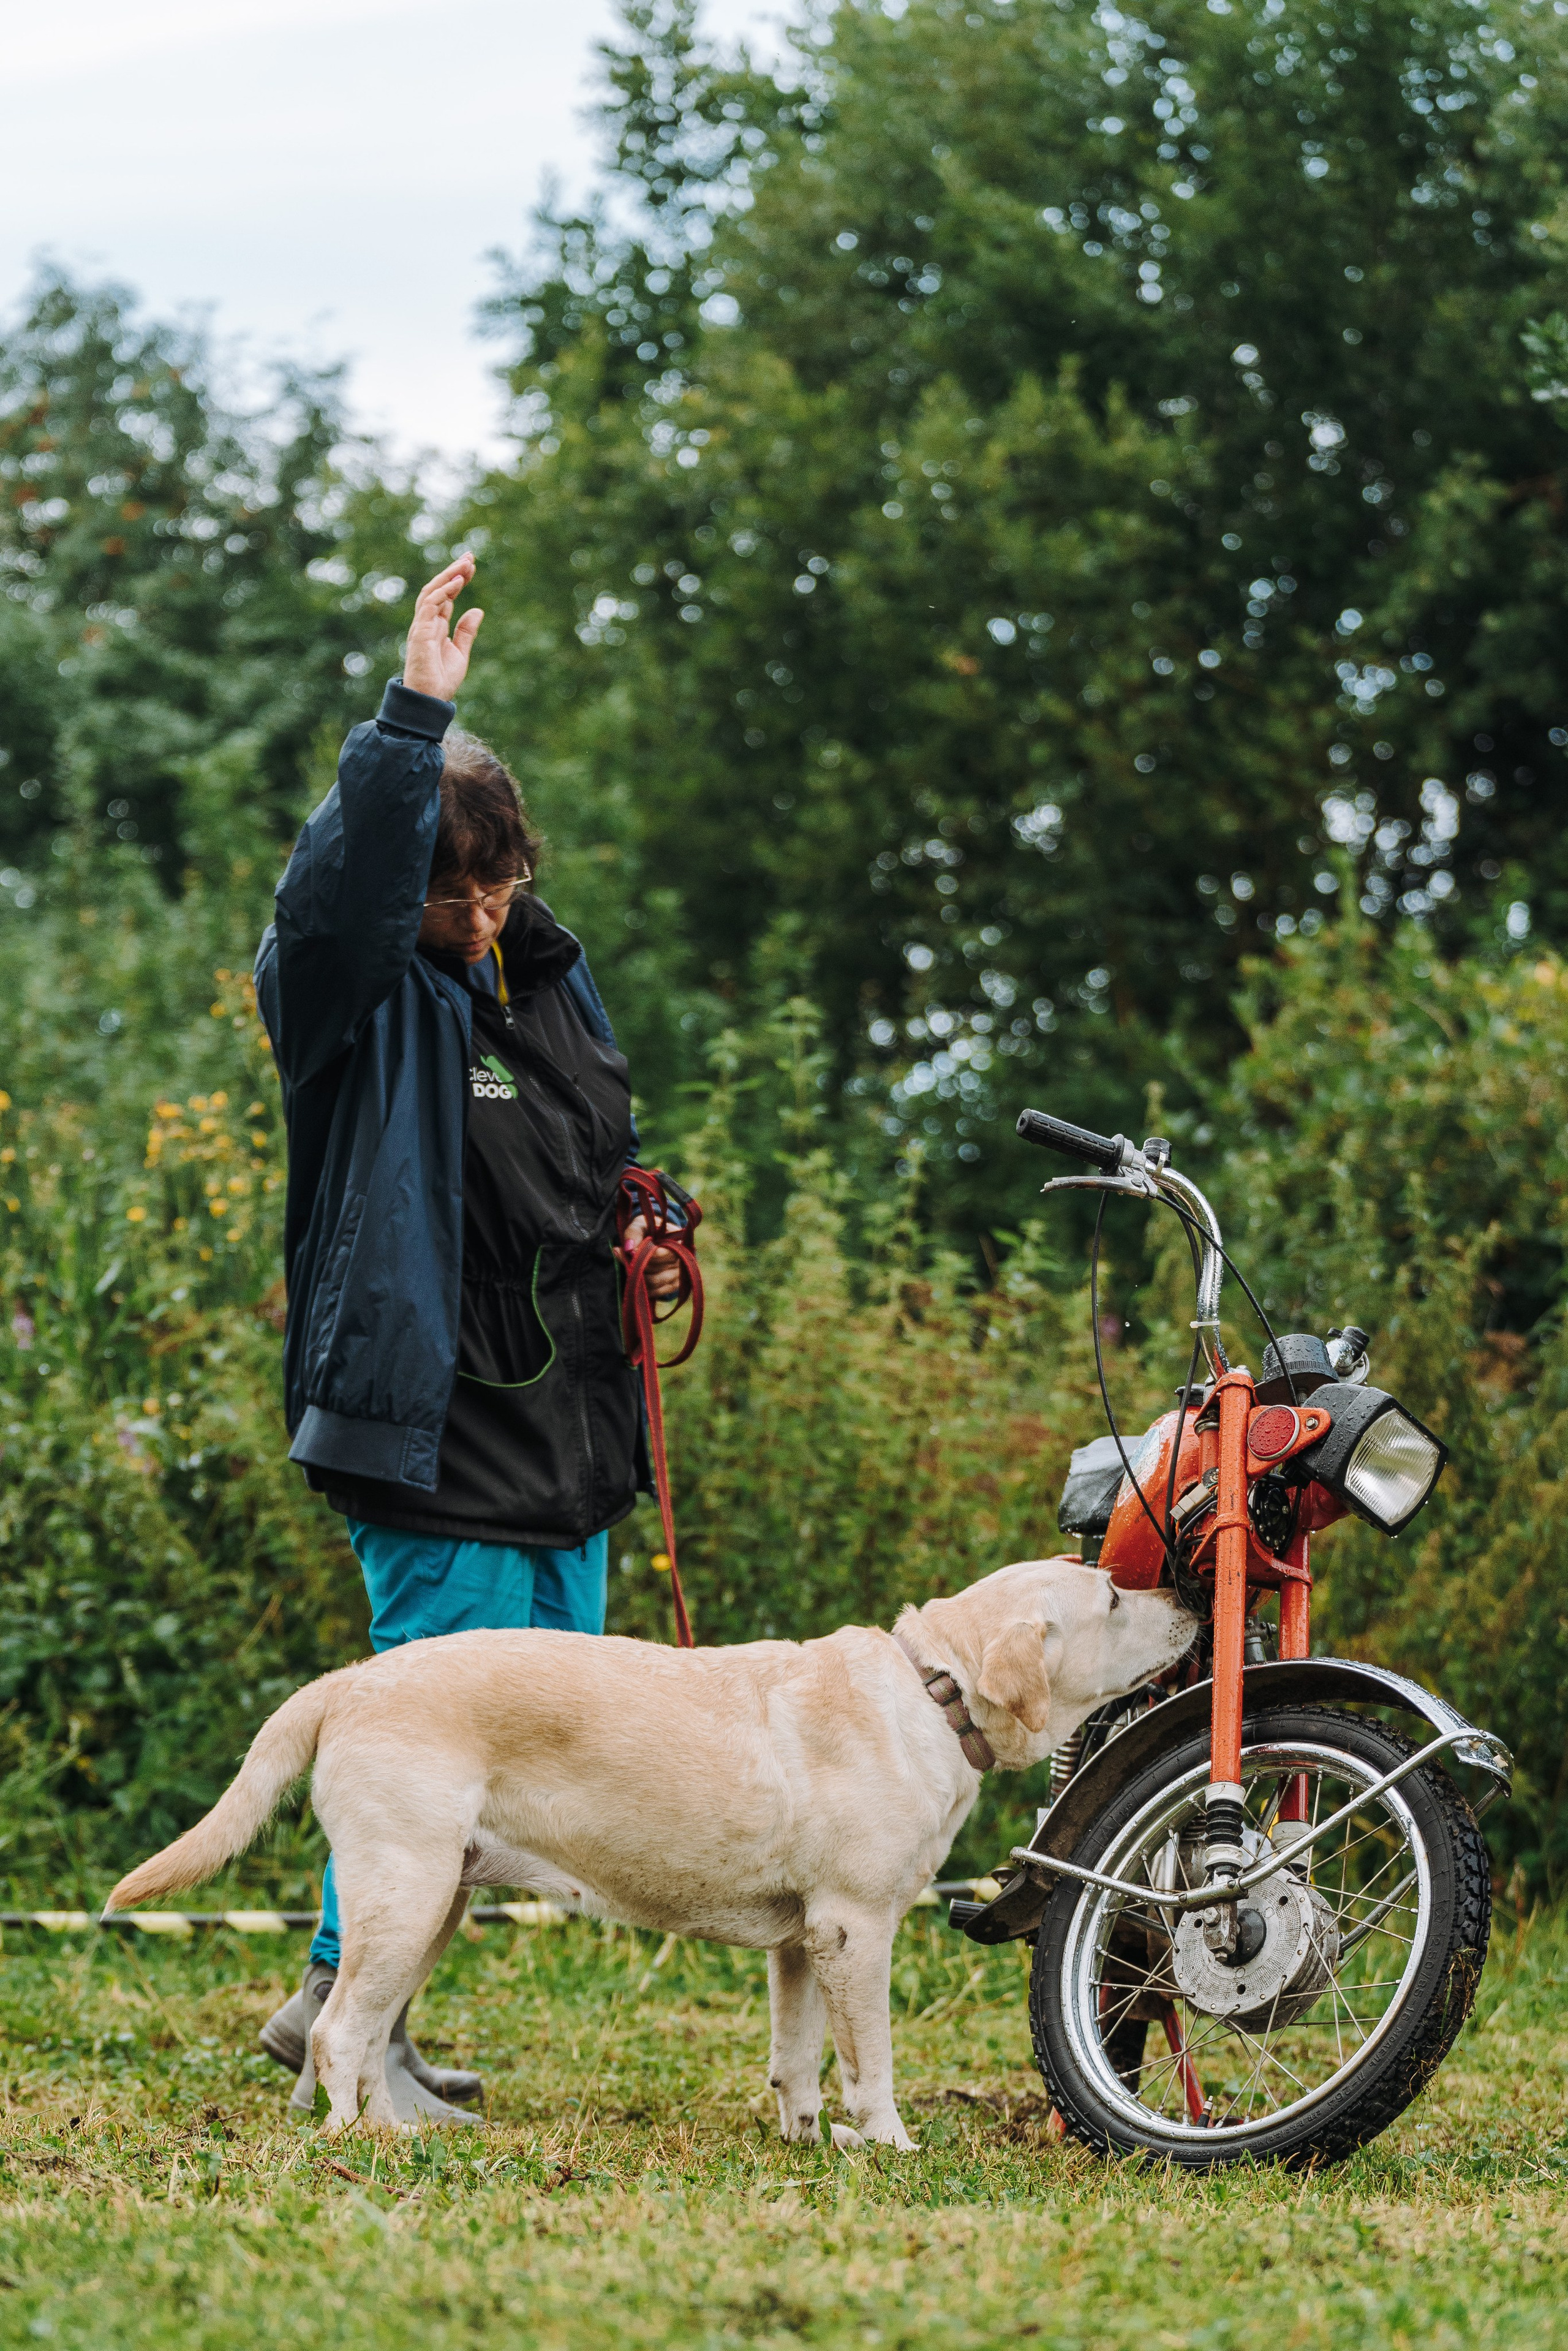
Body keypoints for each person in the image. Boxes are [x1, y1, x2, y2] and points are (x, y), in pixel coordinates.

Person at [251, 554, 678, 2122]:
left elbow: (578, 1153)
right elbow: (341, 896)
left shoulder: (542, 978)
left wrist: (639, 1211)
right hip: (434, 1434)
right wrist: (410, 721)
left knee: (521, 1758)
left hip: (567, 1433)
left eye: (497, 885)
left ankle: (341, 2004)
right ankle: (355, 2037)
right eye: (449, 893)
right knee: (427, 1751)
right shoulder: (352, 1000)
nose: (479, 915)